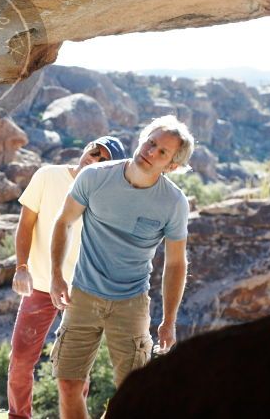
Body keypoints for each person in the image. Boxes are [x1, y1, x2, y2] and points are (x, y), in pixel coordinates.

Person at [49, 115, 194, 419]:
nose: (151, 151)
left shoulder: (173, 203)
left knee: (135, 390)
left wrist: (169, 320)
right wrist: (56, 277)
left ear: (172, 166)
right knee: (68, 384)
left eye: (162, 152)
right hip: (82, 296)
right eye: (150, 142)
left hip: (131, 303)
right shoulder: (94, 177)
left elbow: (176, 262)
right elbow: (63, 222)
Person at [7, 136, 127, 419]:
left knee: (76, 368)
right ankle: (18, 416)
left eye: (103, 160)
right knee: (21, 360)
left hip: (81, 293)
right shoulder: (48, 176)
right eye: (94, 151)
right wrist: (21, 267)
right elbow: (25, 224)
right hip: (39, 286)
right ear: (86, 148)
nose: (94, 159)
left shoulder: (107, 198)